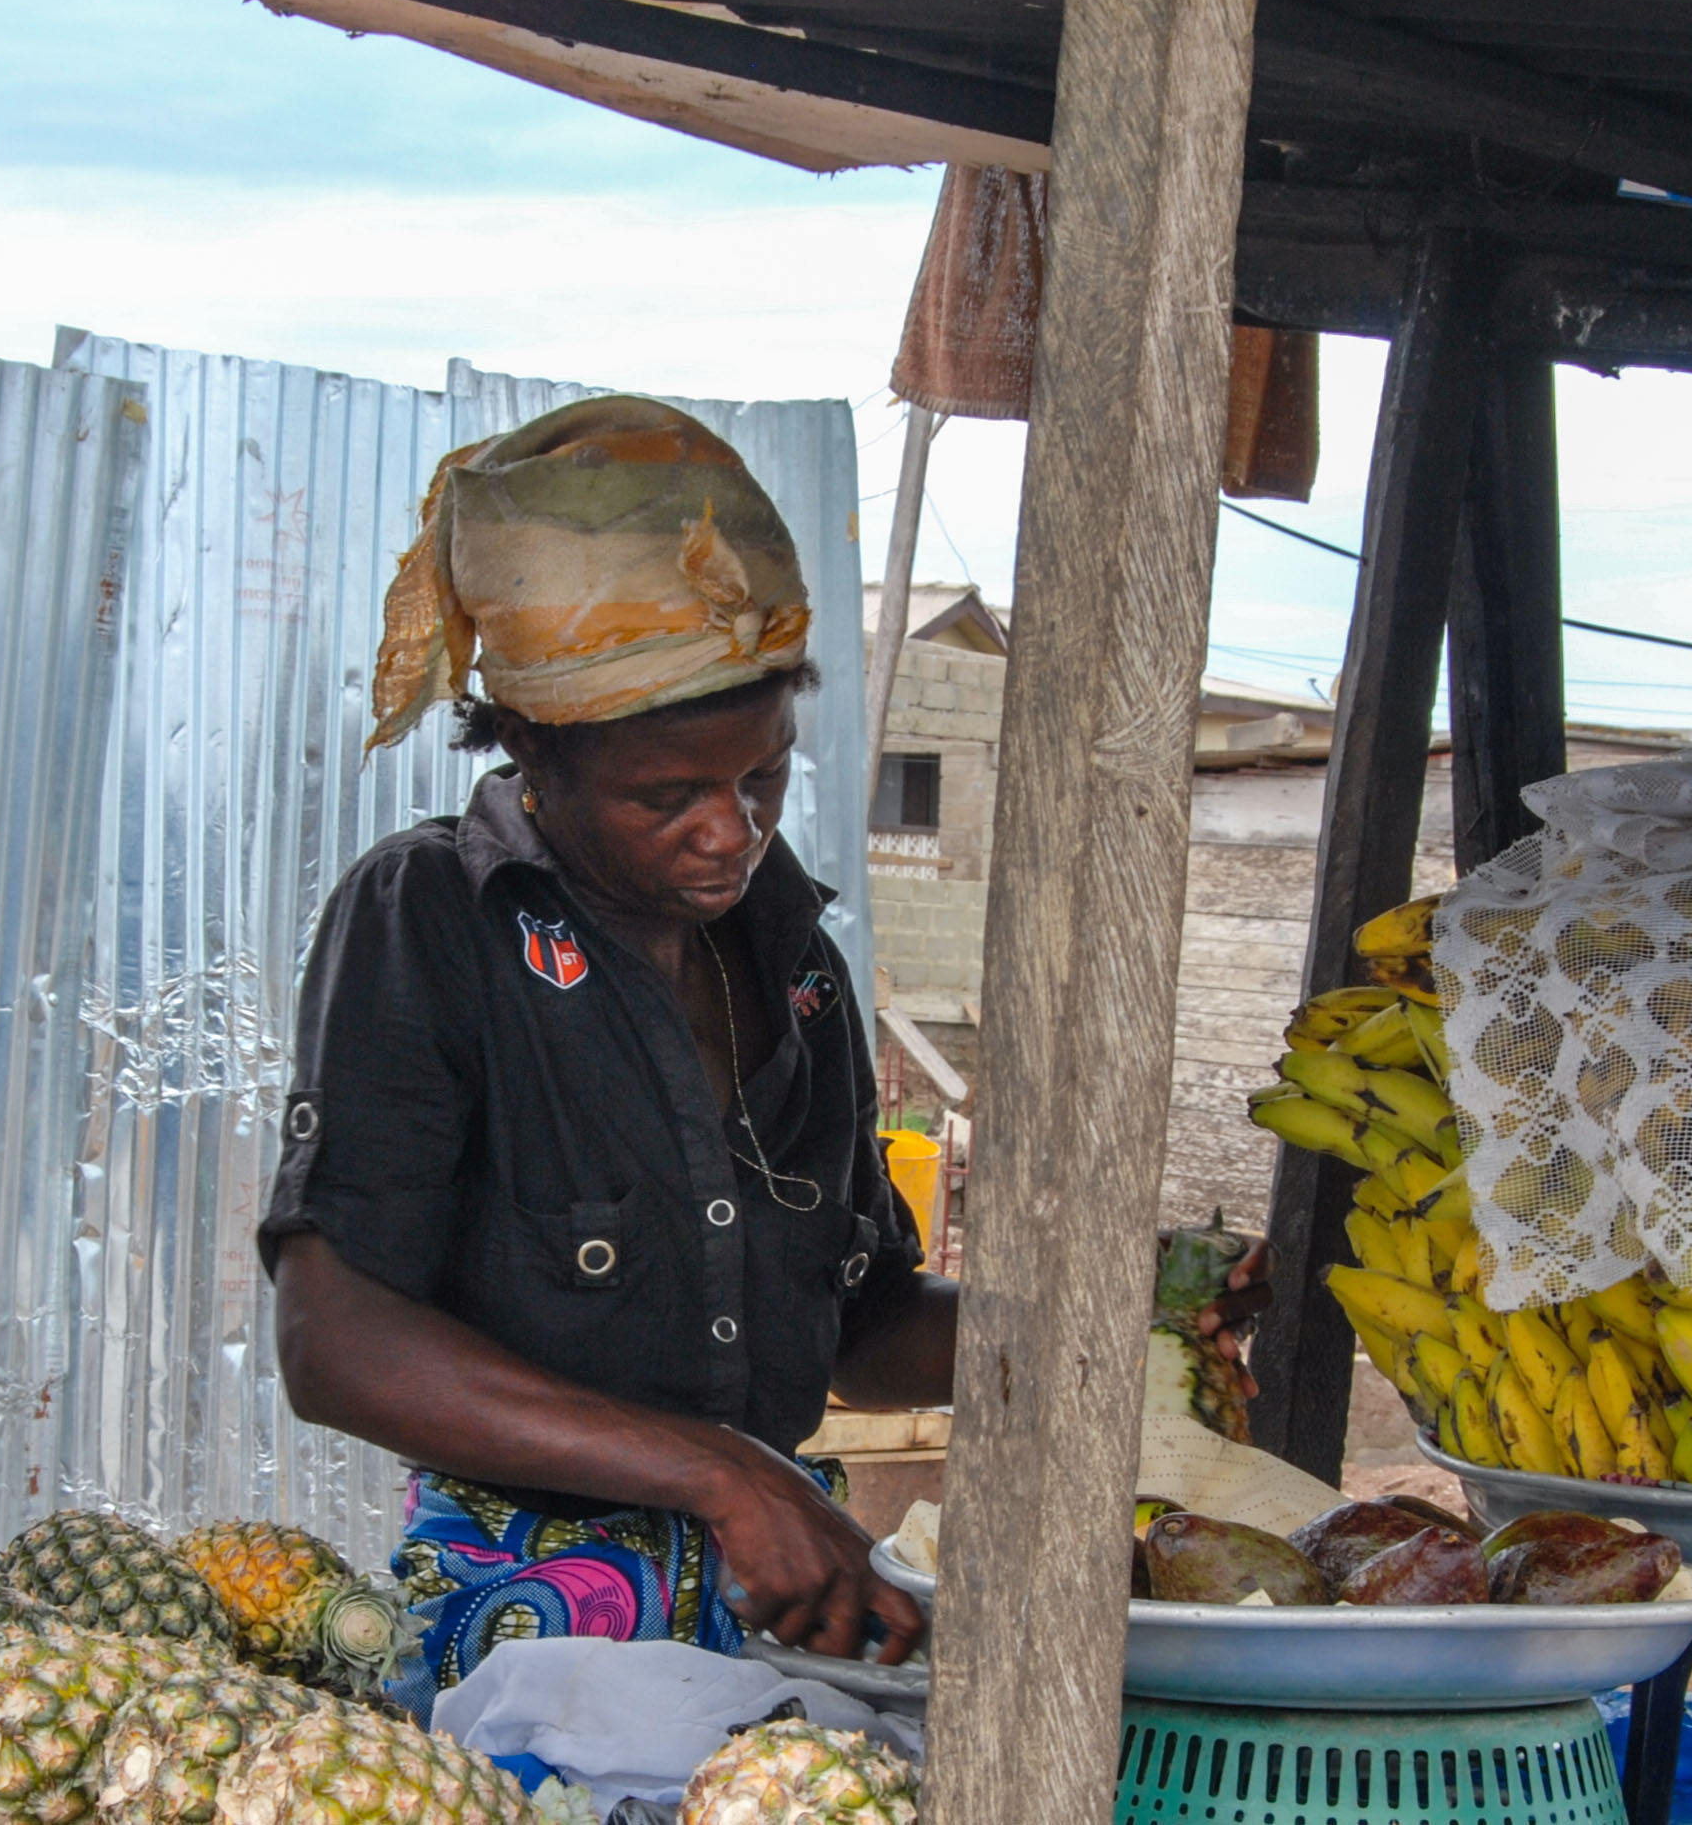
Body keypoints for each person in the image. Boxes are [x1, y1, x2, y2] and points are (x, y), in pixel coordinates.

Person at [258, 396, 1268, 1719]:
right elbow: (334, 1339)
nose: (728, 835)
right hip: (523, 1634)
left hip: (795, 1615)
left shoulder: (794, 968)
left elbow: (859, 1323)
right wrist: (721, 1473)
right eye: (663, 797)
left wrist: (1080, 1329)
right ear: (530, 757)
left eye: (761, 778)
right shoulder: (431, 924)